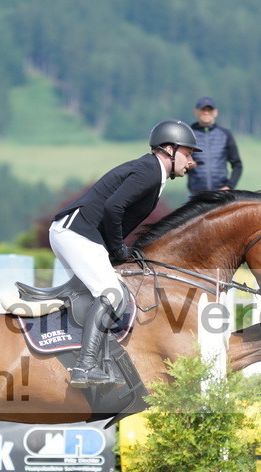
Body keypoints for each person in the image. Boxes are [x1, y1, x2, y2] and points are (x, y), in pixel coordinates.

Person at [48, 119, 200, 388]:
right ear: (168, 149)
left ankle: (81, 358)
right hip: (76, 233)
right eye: (187, 154)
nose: (192, 162)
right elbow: (113, 208)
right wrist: (119, 249)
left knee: (97, 294)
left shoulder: (153, 172)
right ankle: (84, 366)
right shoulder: (150, 171)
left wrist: (118, 250)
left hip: (76, 233)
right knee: (111, 293)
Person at [187, 96, 243, 194]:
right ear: (195, 112)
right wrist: (187, 167)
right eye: (203, 109)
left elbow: (237, 165)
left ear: (215, 112)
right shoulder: (187, 133)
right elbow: (179, 164)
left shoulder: (225, 134)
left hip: (221, 194)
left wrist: (230, 186)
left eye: (209, 110)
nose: (206, 112)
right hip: (196, 194)